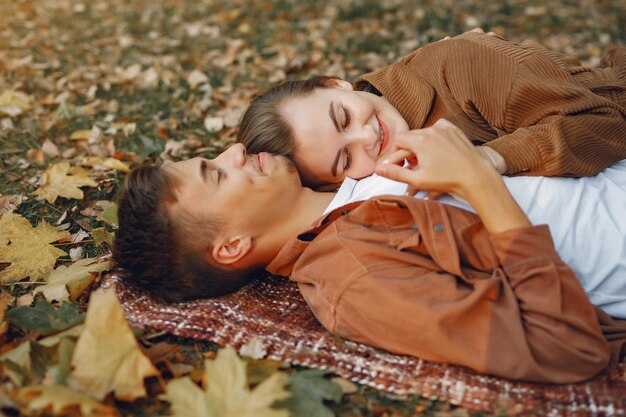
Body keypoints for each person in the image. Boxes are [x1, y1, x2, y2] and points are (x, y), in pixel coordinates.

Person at [114, 119, 626, 384]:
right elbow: (566, 348)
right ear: (231, 247)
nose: (235, 151)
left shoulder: (344, 163)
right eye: (217, 174)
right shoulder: (352, 279)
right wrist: (475, 179)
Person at [237, 30, 626, 187]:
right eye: (343, 159)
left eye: (343, 117)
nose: (367, 136)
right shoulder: (372, 181)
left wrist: (487, 159)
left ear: (334, 83)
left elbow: (605, 123)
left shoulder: (458, 64)